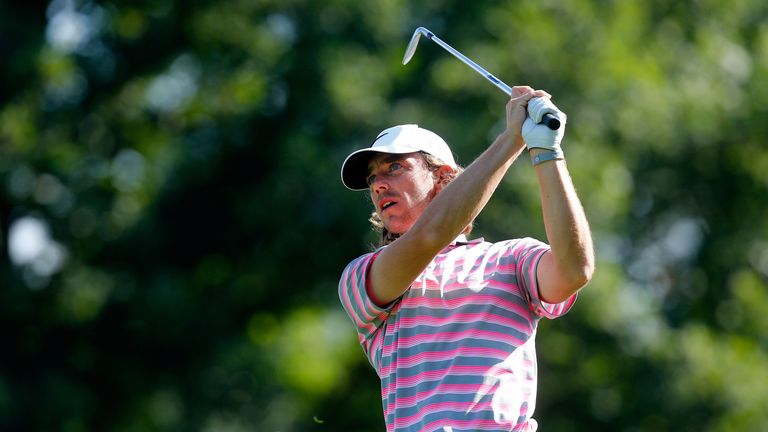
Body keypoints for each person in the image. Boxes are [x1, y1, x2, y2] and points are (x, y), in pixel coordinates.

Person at [337, 86, 595, 432]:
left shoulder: (511, 258)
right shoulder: (362, 277)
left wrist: (546, 152)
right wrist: (512, 140)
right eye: (372, 179)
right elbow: (430, 235)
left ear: (444, 177)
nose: (379, 185)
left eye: (394, 167)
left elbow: (574, 270)